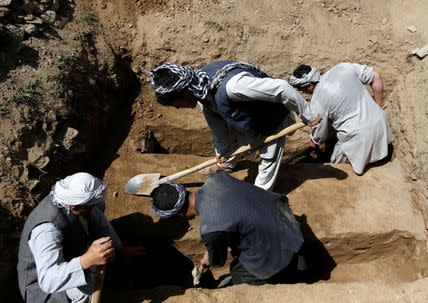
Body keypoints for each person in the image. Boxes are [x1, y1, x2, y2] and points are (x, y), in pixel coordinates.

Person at [149, 60, 322, 191]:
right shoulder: (201, 89)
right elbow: (217, 126)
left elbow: (282, 88)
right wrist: (222, 153)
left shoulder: (235, 86)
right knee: (228, 134)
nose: (178, 108)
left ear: (186, 92)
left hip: (270, 118)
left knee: (269, 156)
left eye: (176, 104)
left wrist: (308, 114)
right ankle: (226, 164)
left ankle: (260, 195)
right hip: (244, 115)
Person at [151, 172, 309, 286]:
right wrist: (213, 242)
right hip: (284, 218)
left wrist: (210, 256)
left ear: (179, 215)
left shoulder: (210, 229)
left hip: (279, 249)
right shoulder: (216, 178)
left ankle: (275, 278)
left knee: (239, 274)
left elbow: (218, 261)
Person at [17, 172, 145, 303]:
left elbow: (99, 221)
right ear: (74, 207)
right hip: (41, 290)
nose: (93, 208)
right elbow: (48, 281)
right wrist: (86, 260)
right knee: (88, 291)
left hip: (67, 254)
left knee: (98, 207)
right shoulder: (47, 230)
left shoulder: (74, 201)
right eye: (90, 207)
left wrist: (120, 248)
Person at [289, 63, 392, 175]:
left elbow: (320, 133)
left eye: (301, 89)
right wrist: (378, 104)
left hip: (359, 138)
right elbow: (375, 76)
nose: (303, 92)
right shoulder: (343, 68)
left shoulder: (317, 101)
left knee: (335, 168)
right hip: (381, 125)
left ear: (309, 85)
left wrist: (314, 142)